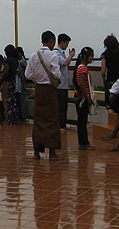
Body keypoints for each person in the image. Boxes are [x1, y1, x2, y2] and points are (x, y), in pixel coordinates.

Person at [24, 31, 63, 160]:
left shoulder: (33, 55)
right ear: (51, 41)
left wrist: (38, 77)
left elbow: (28, 75)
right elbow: (56, 74)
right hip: (50, 90)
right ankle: (52, 152)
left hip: (39, 89)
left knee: (38, 120)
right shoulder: (53, 55)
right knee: (51, 120)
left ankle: (36, 152)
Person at [73, 47, 96, 150]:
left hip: (80, 96)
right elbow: (81, 83)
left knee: (82, 120)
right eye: (91, 56)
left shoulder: (80, 67)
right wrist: (87, 96)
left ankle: (83, 142)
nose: (92, 58)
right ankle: (84, 143)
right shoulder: (83, 68)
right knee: (82, 121)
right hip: (82, 98)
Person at [100, 34, 119, 108]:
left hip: (110, 81)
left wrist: (104, 81)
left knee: (110, 105)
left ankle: (111, 119)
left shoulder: (104, 54)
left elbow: (103, 71)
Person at [55, 33, 76, 130]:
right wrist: (71, 56)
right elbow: (65, 63)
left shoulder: (61, 53)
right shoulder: (56, 53)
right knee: (61, 107)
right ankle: (60, 125)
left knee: (63, 106)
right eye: (67, 43)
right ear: (62, 42)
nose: (67, 45)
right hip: (60, 85)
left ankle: (62, 124)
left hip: (63, 84)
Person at [0, 44, 21, 125]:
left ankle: (8, 119)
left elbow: (6, 72)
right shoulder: (15, 61)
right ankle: (14, 118)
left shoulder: (8, 61)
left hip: (7, 82)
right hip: (13, 81)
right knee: (13, 101)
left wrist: (0, 80)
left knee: (6, 101)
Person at [15, 47, 28, 119]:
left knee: (21, 101)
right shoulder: (20, 62)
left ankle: (22, 116)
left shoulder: (23, 62)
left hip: (21, 83)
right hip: (17, 83)